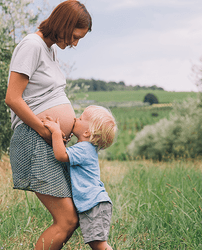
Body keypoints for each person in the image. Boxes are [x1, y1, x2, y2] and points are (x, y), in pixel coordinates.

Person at [5, 1, 92, 249]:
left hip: (45, 139)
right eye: (75, 37)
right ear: (64, 25)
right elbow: (12, 97)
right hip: (33, 139)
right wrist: (46, 132)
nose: (75, 44)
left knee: (72, 216)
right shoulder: (32, 45)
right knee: (67, 219)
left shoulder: (49, 49)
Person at [43, 105, 117, 250]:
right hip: (94, 204)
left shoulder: (84, 149)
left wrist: (56, 132)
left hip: (94, 204)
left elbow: (60, 155)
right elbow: (65, 152)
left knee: (99, 245)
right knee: (95, 243)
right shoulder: (85, 148)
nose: (76, 119)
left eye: (81, 118)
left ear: (87, 132)